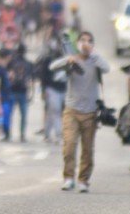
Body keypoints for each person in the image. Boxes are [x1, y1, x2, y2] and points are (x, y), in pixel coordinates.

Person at [50, 31, 110, 193]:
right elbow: (53, 67)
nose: (85, 43)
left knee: (87, 149)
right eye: (82, 40)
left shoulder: (95, 61)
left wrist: (93, 54)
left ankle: (83, 180)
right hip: (72, 110)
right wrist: (68, 60)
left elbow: (107, 68)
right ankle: (68, 177)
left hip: (90, 112)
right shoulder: (72, 60)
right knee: (69, 145)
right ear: (77, 44)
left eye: (89, 41)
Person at [7, 44, 33, 142]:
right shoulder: (28, 63)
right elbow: (30, 80)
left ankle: (8, 134)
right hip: (23, 91)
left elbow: (7, 76)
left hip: (13, 90)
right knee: (23, 115)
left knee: (10, 114)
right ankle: (22, 135)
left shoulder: (12, 62)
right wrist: (31, 94)